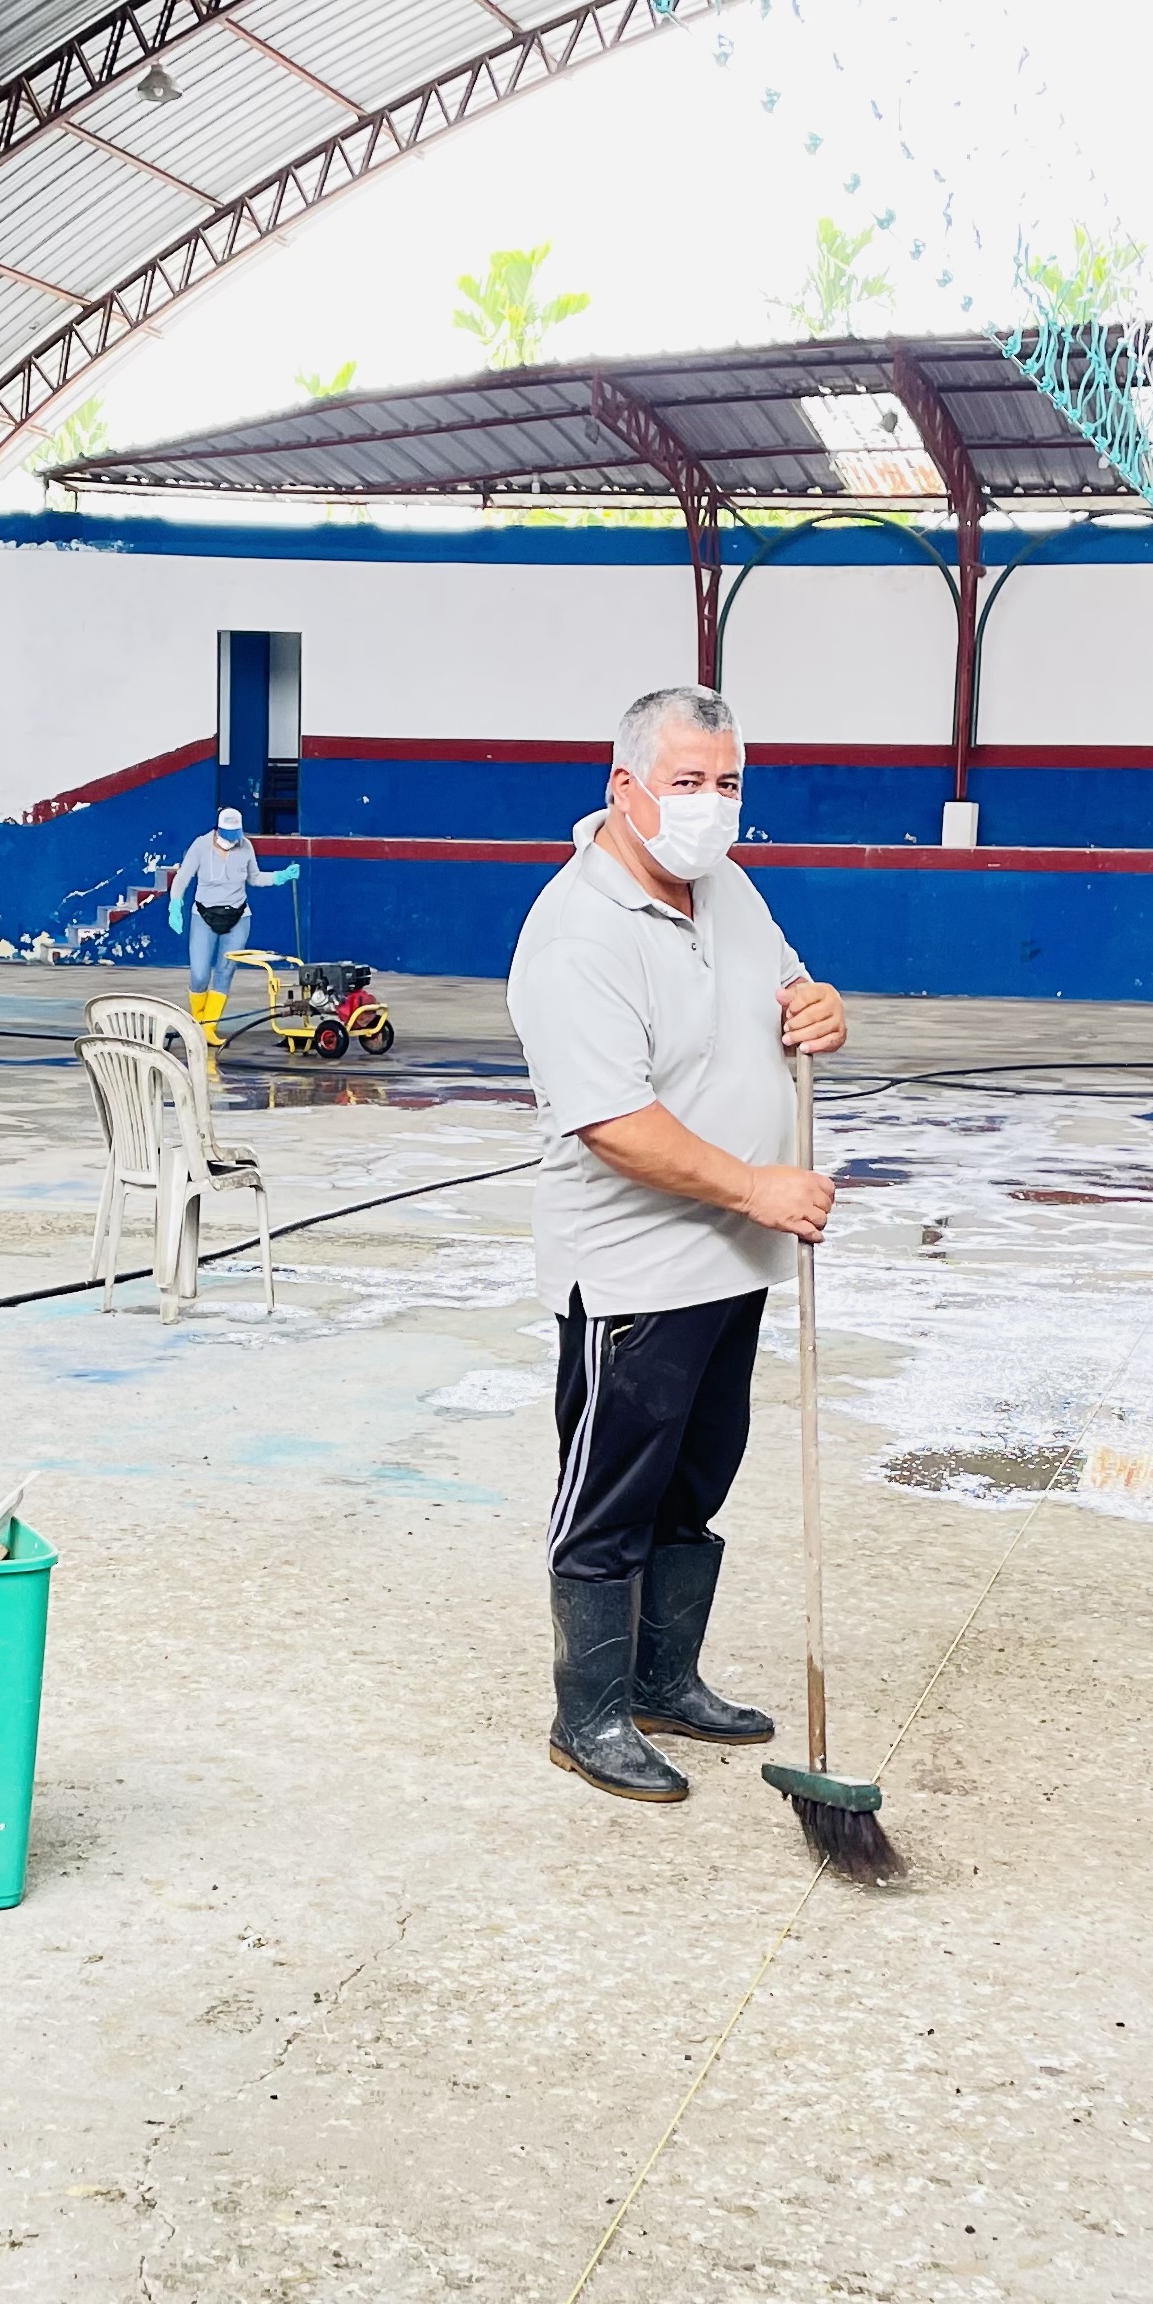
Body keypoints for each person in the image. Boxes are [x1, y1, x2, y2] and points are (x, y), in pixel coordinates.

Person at [507, 683, 850, 1801]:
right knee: (610, 1498)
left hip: (734, 1256)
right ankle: (589, 1717)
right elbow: (614, 1124)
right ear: (626, 788)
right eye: (687, 782)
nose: (712, 804)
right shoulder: (578, 933)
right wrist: (756, 1185)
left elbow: (788, 990)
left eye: (728, 782)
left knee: (696, 1480)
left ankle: (663, 1681)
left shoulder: (727, 886)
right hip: (636, 1270)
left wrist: (820, 1008)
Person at [167, 807, 298, 1045]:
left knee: (225, 972)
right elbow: (183, 877)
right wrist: (175, 904)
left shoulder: (246, 847)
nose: (232, 841)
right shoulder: (200, 846)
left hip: (238, 916)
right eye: (227, 836)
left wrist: (280, 876)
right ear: (217, 830)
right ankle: (198, 1022)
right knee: (199, 974)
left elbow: (254, 877)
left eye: (235, 836)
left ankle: (208, 1028)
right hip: (204, 916)